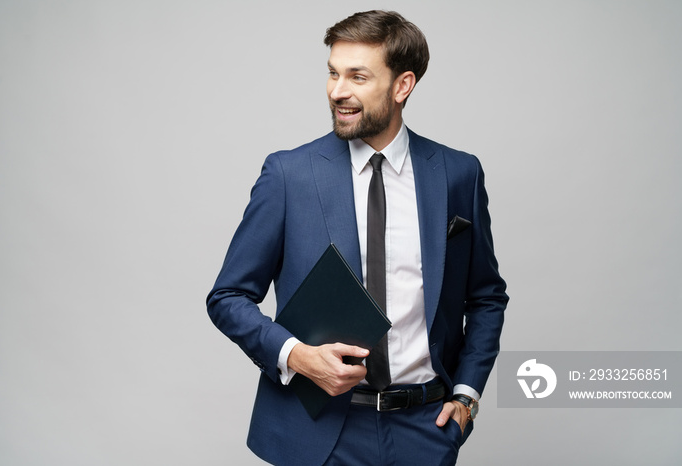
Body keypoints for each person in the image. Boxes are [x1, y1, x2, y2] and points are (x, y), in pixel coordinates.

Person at [207, 10, 508, 466]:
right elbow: (227, 296)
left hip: (425, 430)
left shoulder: (457, 174)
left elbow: (486, 297)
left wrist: (466, 396)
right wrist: (297, 356)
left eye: (357, 76)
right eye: (332, 73)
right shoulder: (289, 175)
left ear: (402, 86)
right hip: (317, 433)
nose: (337, 91)